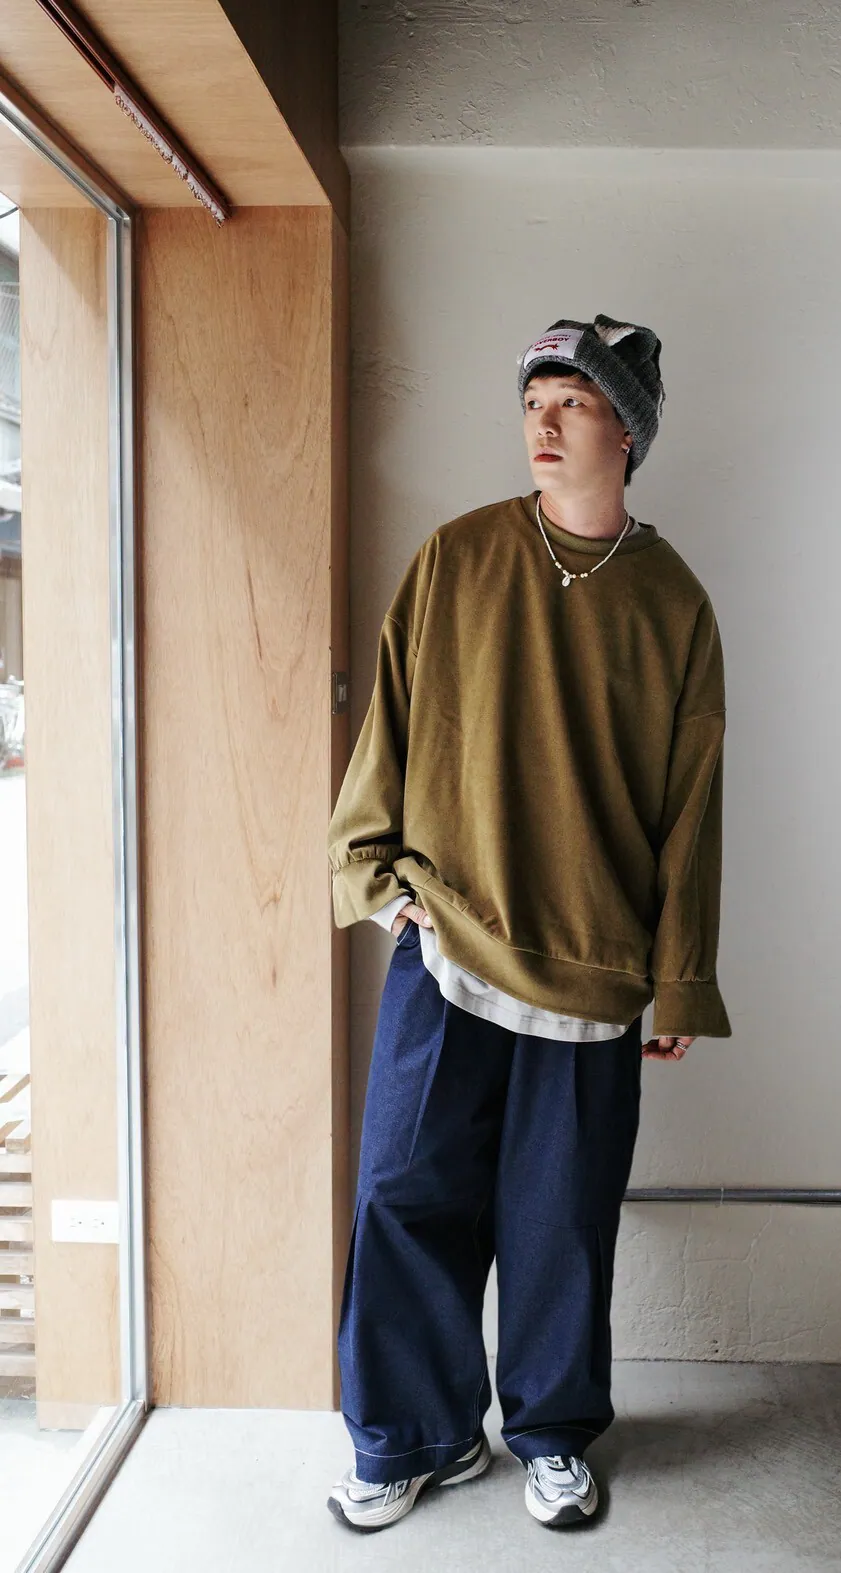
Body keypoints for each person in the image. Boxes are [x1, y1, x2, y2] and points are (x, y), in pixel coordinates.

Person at [325, 313, 731, 1533]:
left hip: (595, 966)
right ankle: (413, 1435)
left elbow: (691, 809)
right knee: (405, 1192)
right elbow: (392, 722)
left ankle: (551, 1434)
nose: (543, 424)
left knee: (561, 1220)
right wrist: (375, 873)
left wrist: (679, 976)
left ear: (628, 431)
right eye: (533, 402)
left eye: (574, 402)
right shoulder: (457, 557)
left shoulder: (673, 602)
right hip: (448, 941)